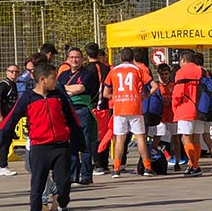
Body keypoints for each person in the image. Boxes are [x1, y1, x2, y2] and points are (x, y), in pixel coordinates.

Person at [0, 62, 86, 211]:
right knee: (37, 185)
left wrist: (81, 144)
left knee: (64, 185)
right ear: (43, 79)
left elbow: (73, 119)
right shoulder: (28, 98)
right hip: (40, 148)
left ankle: (63, 206)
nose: (56, 80)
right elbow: (9, 121)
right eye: (53, 77)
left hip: (61, 147)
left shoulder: (58, 95)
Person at [103, 48, 155, 178]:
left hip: (119, 108)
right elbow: (154, 86)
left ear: (120, 58)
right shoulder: (138, 70)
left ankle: (116, 169)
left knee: (120, 138)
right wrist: (144, 96)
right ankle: (147, 167)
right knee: (140, 138)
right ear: (133, 59)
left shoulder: (113, 71)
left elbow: (105, 93)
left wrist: (115, 96)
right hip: (134, 107)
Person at [57, 47, 99, 185]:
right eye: (72, 57)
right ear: (68, 59)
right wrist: (70, 90)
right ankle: (73, 176)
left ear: (82, 59)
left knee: (85, 143)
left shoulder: (88, 74)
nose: (74, 60)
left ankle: (86, 176)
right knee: (71, 145)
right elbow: (56, 87)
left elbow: (81, 88)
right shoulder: (63, 75)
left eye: (77, 57)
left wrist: (66, 89)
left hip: (82, 110)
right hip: (67, 111)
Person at [172, 50, 205, 177]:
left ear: (184, 60)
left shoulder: (181, 73)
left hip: (185, 108)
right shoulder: (202, 71)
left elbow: (177, 94)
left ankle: (194, 165)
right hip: (201, 109)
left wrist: (175, 107)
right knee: (196, 137)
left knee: (185, 137)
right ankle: (195, 164)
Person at [189, 52, 212, 173]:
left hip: (199, 109)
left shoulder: (196, 73)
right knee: (207, 138)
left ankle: (194, 164)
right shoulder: (208, 73)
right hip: (208, 109)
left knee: (196, 138)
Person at [85, 43, 113, 175]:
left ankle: (97, 164)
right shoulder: (107, 69)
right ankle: (104, 162)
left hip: (92, 105)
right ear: (99, 54)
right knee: (105, 135)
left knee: (94, 136)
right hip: (105, 105)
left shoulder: (86, 70)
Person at [0, 64, 20, 175]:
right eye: (11, 71)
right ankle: (2, 166)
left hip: (9, 117)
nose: (14, 74)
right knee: (2, 141)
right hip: (3, 117)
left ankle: (3, 165)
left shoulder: (13, 85)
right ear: (7, 72)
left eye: (16, 72)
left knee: (6, 141)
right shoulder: (5, 85)